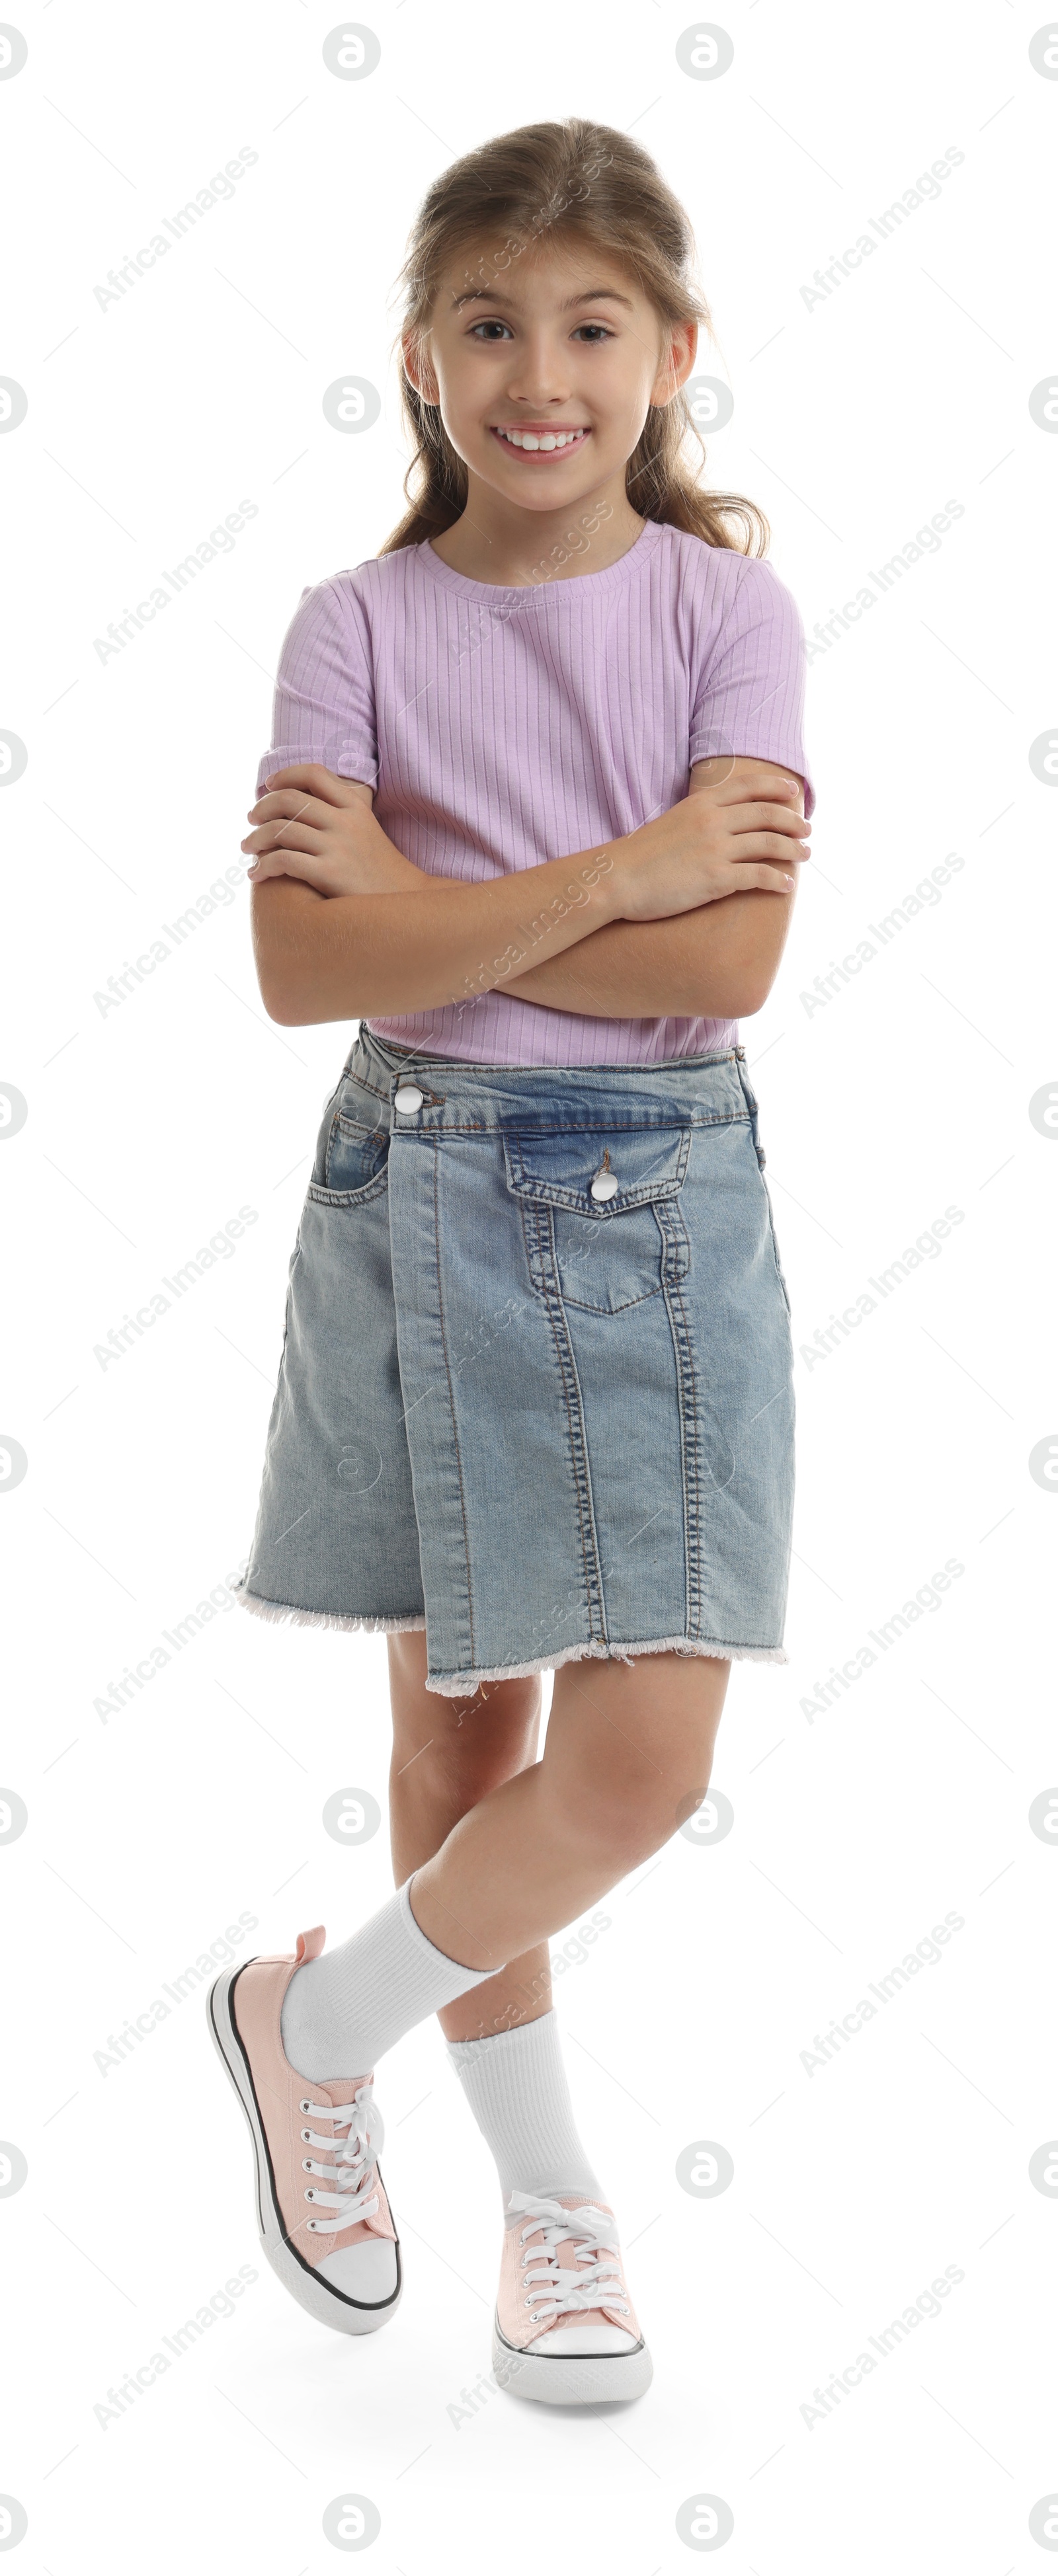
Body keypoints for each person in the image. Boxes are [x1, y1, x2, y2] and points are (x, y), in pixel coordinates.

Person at [208, 117, 813, 2409]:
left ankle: (307, 2022)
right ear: (418, 362)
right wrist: (606, 876)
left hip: (659, 1205)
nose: (540, 373)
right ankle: (555, 2218)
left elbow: (736, 948)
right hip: (415, 1187)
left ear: (671, 354)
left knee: (640, 1758)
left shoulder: (723, 612)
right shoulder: (353, 626)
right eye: (490, 324)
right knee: (457, 1750)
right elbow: (298, 968)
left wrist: (437, 906)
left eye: (590, 326)